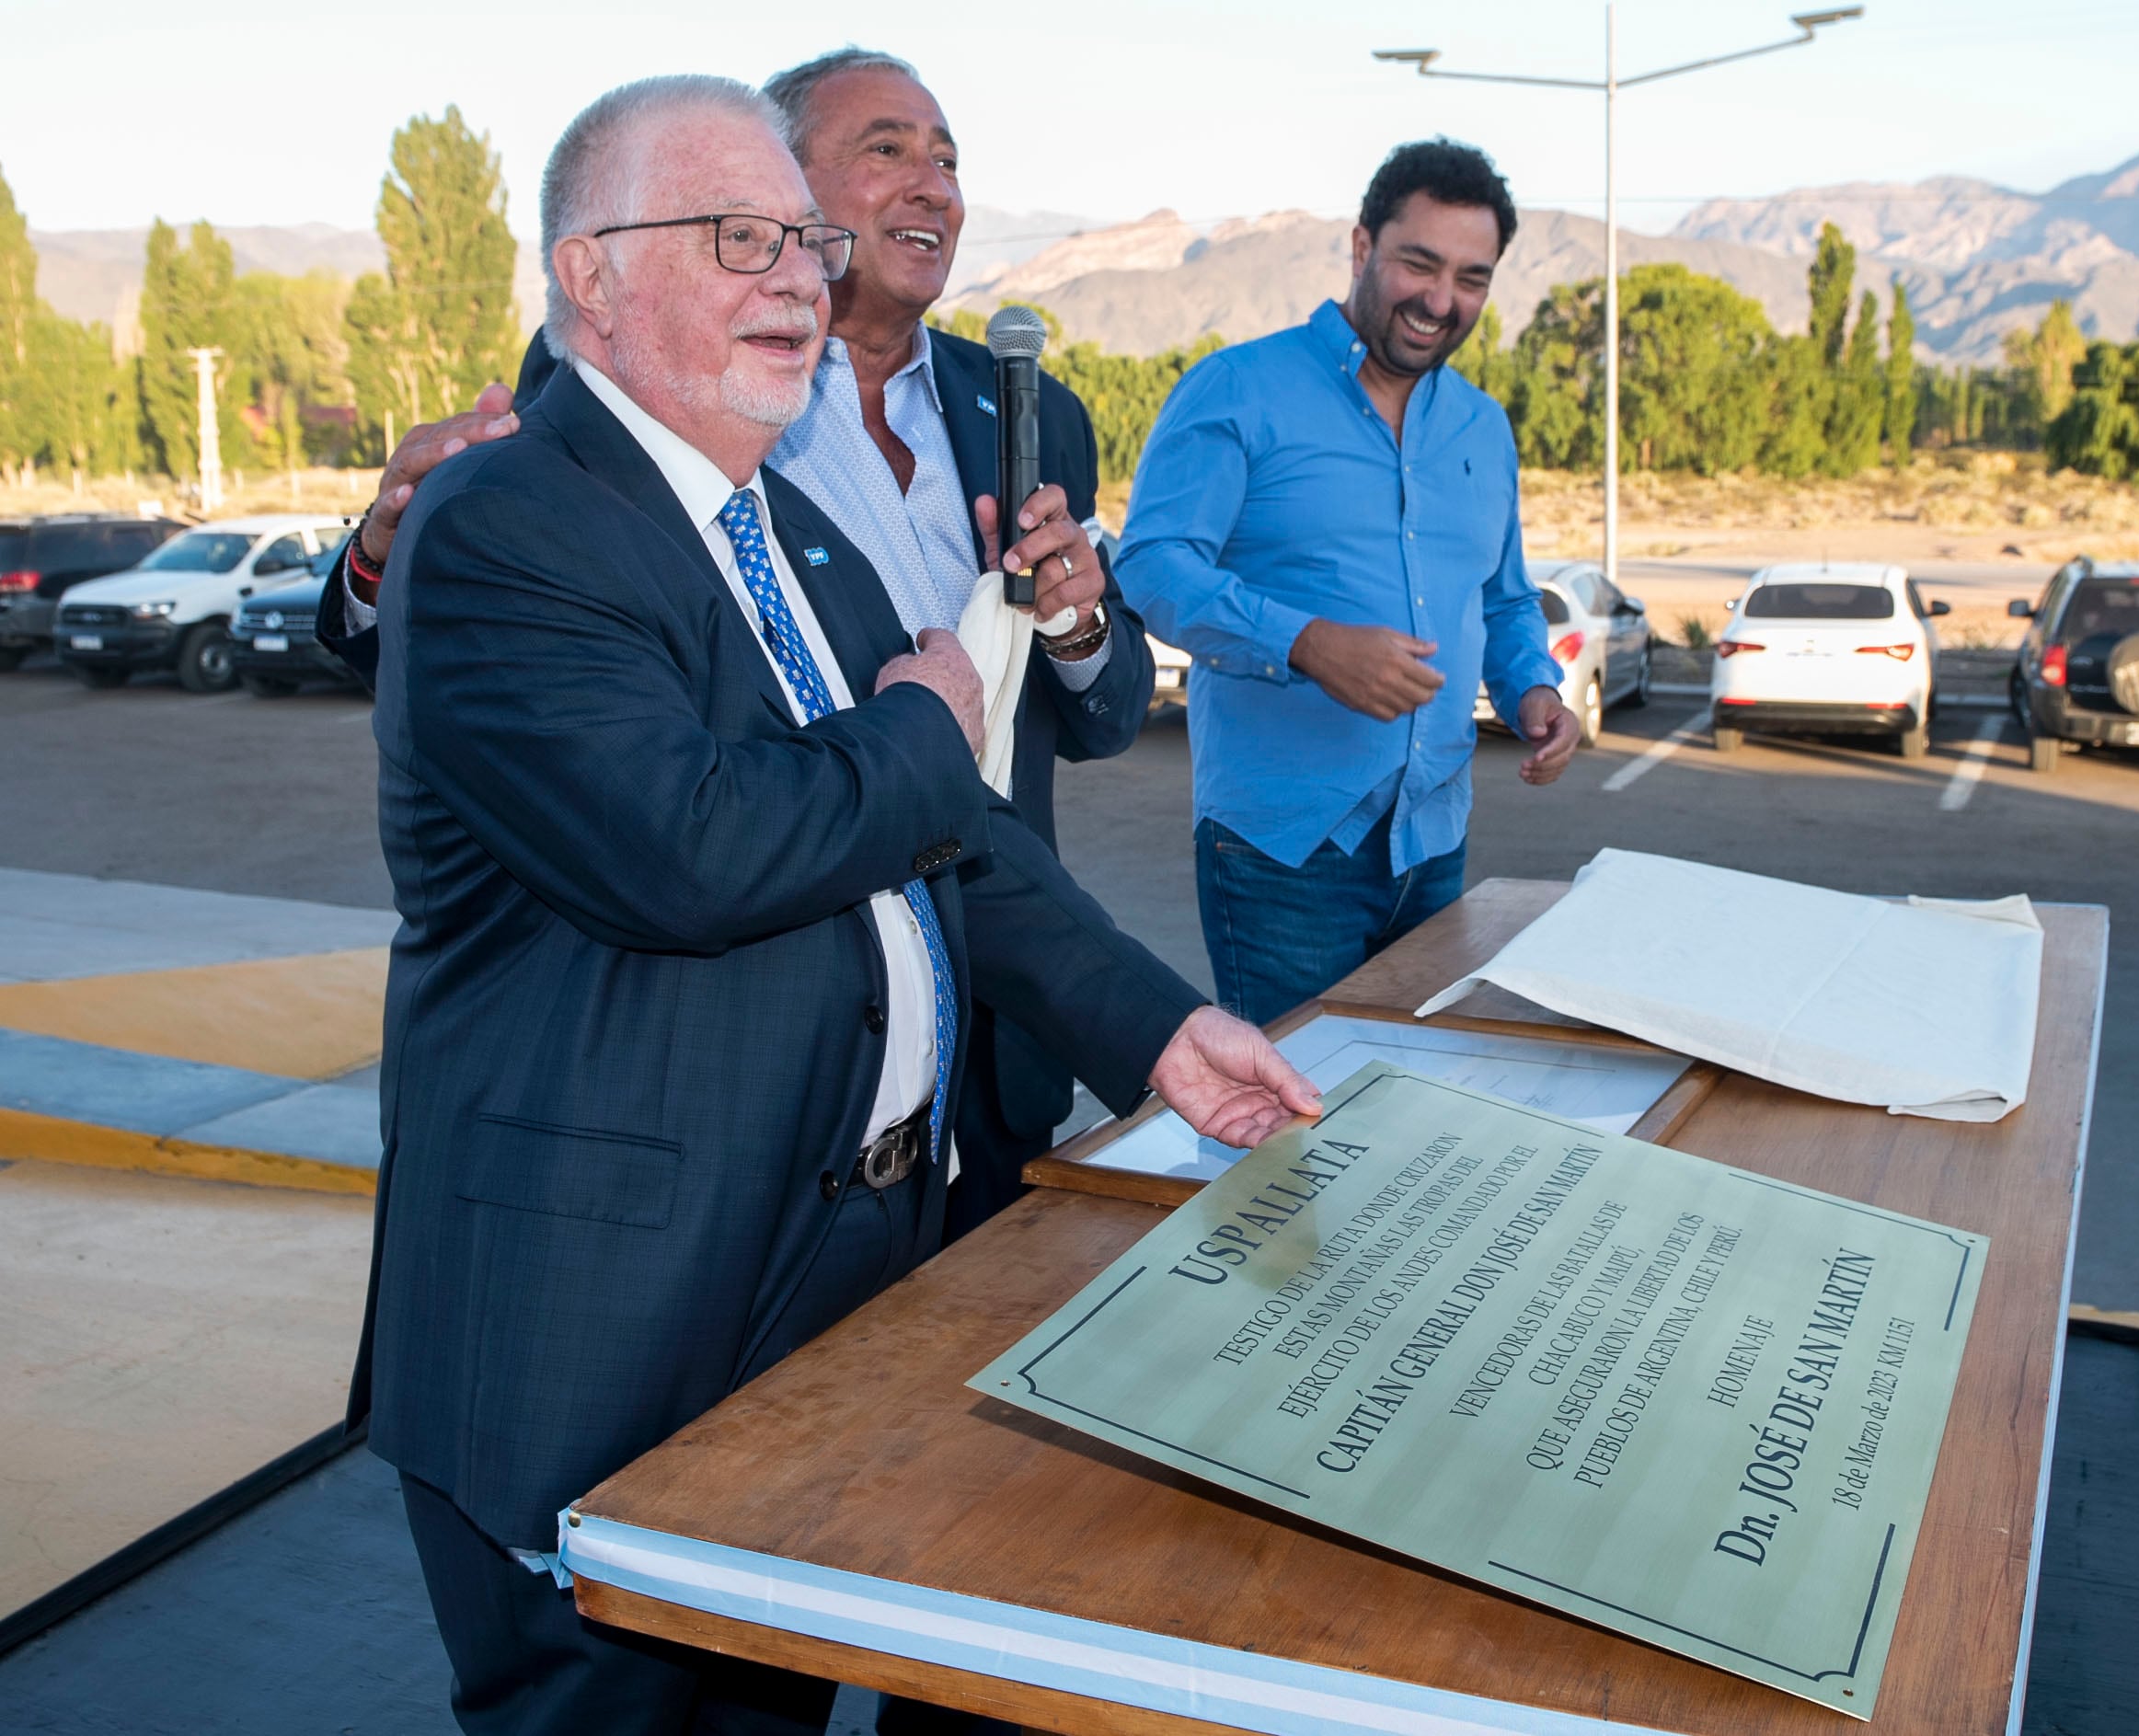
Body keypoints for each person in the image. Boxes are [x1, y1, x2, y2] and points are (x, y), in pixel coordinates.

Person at [362, 74, 1315, 1735]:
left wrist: (1157, 1028)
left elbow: (956, 850)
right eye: (738, 240)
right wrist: (924, 722)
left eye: (798, 242)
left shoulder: (780, 531)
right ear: (589, 277)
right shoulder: (509, 526)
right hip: (601, 1332)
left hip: (818, 1282)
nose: (799, 277)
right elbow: (695, 848)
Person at [323, 47, 1144, 1240]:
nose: (934, 187)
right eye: (887, 150)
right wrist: (373, 569)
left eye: (950, 160)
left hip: (997, 981)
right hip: (742, 1059)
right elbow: (532, 700)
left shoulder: (1030, 409)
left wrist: (1077, 624)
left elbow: (1101, 715)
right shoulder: (623, 382)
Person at [1117, 139, 1581, 1027]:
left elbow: (1505, 596)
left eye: (1472, 278)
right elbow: (1153, 566)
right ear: (1363, 247)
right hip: (1281, 852)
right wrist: (1307, 643)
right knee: (1295, 1132)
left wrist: (1532, 689)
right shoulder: (1236, 389)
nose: (1441, 301)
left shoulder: (1484, 427)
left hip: (1434, 839)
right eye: (1420, 263)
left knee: (1416, 1118)